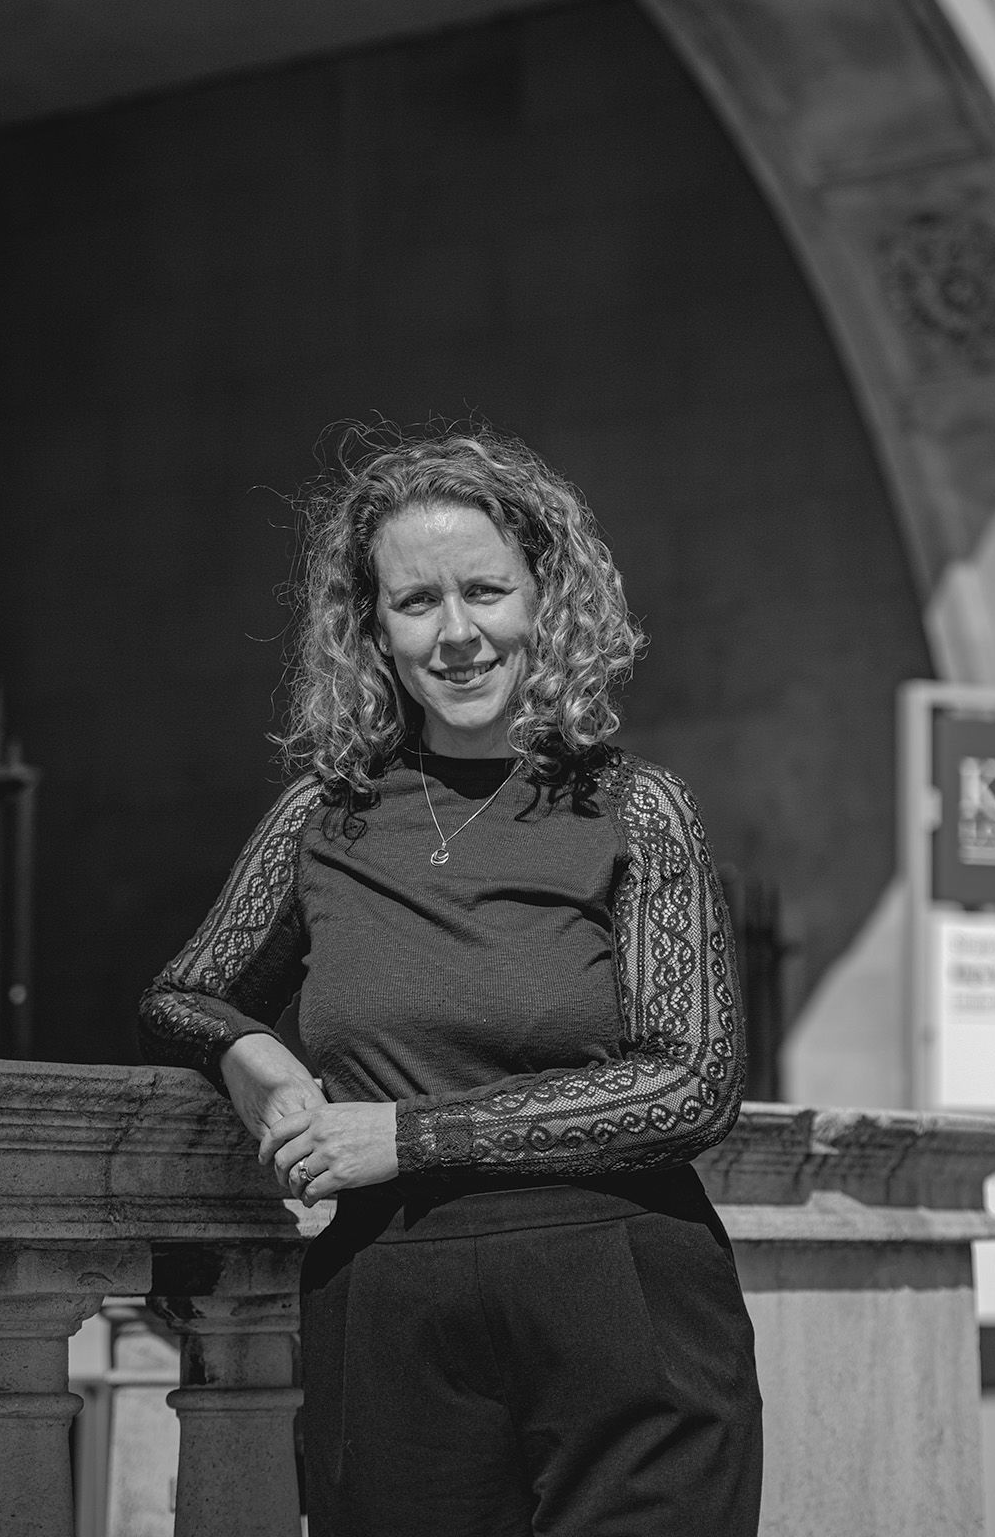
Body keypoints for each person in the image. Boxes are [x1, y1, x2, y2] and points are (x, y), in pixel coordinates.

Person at [138, 426, 763, 1537]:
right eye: (416, 602)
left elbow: (689, 1087)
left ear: (546, 602)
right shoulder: (320, 818)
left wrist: (406, 1138)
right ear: (371, 629)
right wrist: (263, 1066)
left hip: (623, 1308)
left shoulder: (632, 808)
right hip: (387, 1315)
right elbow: (184, 993)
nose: (458, 633)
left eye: (485, 591)